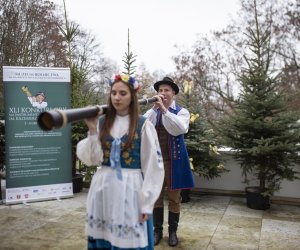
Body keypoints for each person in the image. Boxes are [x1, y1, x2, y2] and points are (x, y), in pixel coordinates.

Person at [76, 74, 164, 250]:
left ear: (132, 96)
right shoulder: (102, 121)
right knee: (103, 240)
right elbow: (91, 159)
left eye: (122, 93)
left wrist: (147, 203)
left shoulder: (143, 125)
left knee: (128, 243)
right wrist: (92, 129)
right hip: (104, 190)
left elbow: (154, 167)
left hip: (131, 191)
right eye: (113, 93)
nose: (117, 97)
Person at [144, 76, 195, 247]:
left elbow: (179, 129)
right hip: (156, 163)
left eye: (166, 90)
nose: (163, 93)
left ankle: (172, 232)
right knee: (156, 198)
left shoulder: (182, 112)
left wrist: (165, 111)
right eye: (160, 90)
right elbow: (144, 126)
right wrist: (154, 109)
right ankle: (157, 231)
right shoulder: (154, 111)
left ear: (173, 93)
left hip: (175, 163)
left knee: (174, 199)